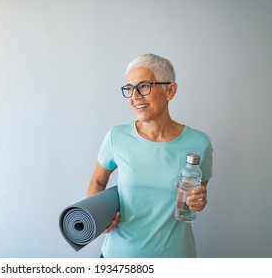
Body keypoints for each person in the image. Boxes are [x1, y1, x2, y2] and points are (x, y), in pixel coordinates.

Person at [86, 53, 213, 258]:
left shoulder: (199, 143)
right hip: (119, 257)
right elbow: (97, 181)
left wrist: (198, 201)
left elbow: (196, 197)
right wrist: (97, 217)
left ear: (170, 90)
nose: (135, 96)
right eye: (129, 88)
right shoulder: (116, 137)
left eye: (144, 86)